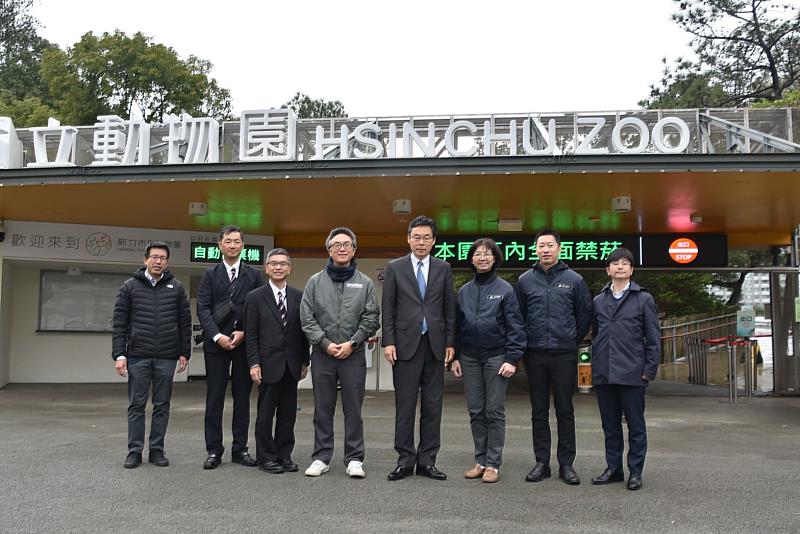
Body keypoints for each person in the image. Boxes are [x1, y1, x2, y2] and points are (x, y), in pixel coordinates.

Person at [300, 227, 380, 478]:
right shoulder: (314, 282)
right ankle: (321, 457)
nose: (342, 248)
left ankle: (355, 458)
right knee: (323, 407)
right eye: (337, 245)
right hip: (323, 354)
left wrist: (353, 343)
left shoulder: (365, 282)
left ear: (354, 249)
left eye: (347, 244)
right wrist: (324, 343)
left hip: (353, 354)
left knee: (353, 408)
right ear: (329, 250)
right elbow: (307, 318)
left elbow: (371, 317)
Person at [382, 215, 456, 481]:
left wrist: (450, 342)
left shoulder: (443, 268)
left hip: (435, 345)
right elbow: (387, 308)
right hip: (404, 346)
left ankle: (427, 460)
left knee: (433, 406)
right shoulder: (395, 268)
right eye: (416, 237)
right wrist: (388, 341)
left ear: (434, 241)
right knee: (405, 405)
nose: (421, 242)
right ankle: (404, 459)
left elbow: (449, 309)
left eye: (426, 237)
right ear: (408, 239)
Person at [516, 228, 592, 485]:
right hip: (535, 353)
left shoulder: (574, 280)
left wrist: (571, 339)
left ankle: (566, 464)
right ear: (535, 249)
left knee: (565, 410)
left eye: (550, 245)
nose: (545, 250)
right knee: (538, 410)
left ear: (559, 248)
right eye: (541, 246)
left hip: (564, 354)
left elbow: (584, 316)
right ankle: (541, 462)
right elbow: (519, 316)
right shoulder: (525, 280)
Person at [450, 238, 526, 483]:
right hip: (470, 358)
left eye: (487, 254)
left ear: (495, 258)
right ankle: (480, 460)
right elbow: (458, 328)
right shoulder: (464, 291)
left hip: (497, 357)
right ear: (471, 258)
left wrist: (512, 358)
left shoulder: (505, 289)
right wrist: (457, 358)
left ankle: (493, 464)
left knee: (493, 410)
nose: (482, 258)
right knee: (475, 410)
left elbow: (516, 326)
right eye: (478, 254)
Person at [112, 241, 191, 468]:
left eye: (163, 258)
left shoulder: (176, 288)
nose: (158, 262)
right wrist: (120, 354)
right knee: (137, 405)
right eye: (154, 257)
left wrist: (184, 352)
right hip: (138, 356)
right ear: (145, 260)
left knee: (162, 404)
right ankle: (134, 451)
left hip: (167, 356)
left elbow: (185, 323)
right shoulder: (129, 287)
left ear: (168, 262)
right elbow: (120, 323)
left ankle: (157, 450)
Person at [589, 247, 660, 491]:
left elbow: (653, 338)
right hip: (604, 372)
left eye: (625, 263)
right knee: (610, 426)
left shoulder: (643, 299)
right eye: (615, 263)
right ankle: (614, 469)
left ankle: (635, 472)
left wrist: (649, 370)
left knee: (636, 425)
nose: (620, 266)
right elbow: (596, 335)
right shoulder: (599, 300)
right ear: (607, 270)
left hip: (633, 373)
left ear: (631, 269)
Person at [197, 225, 264, 469]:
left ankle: (240, 449)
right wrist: (216, 336)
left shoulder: (254, 275)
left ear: (242, 245)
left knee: (242, 399)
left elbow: (258, 308)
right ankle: (214, 450)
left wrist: (245, 333)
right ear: (220, 246)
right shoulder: (209, 274)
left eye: (237, 241)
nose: (233, 245)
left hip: (244, 345)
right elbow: (202, 308)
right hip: (216, 346)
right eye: (228, 241)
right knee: (214, 397)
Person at [245, 248, 310, 474]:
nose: (278, 267)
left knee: (288, 415)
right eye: (273, 263)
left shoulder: (299, 297)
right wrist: (254, 363)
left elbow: (303, 332)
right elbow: (251, 334)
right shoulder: (254, 297)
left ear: (289, 268)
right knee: (265, 415)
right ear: (267, 268)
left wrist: (305, 361)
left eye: (283, 263)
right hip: (267, 365)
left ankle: (284, 455)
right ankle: (266, 457)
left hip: (292, 366)